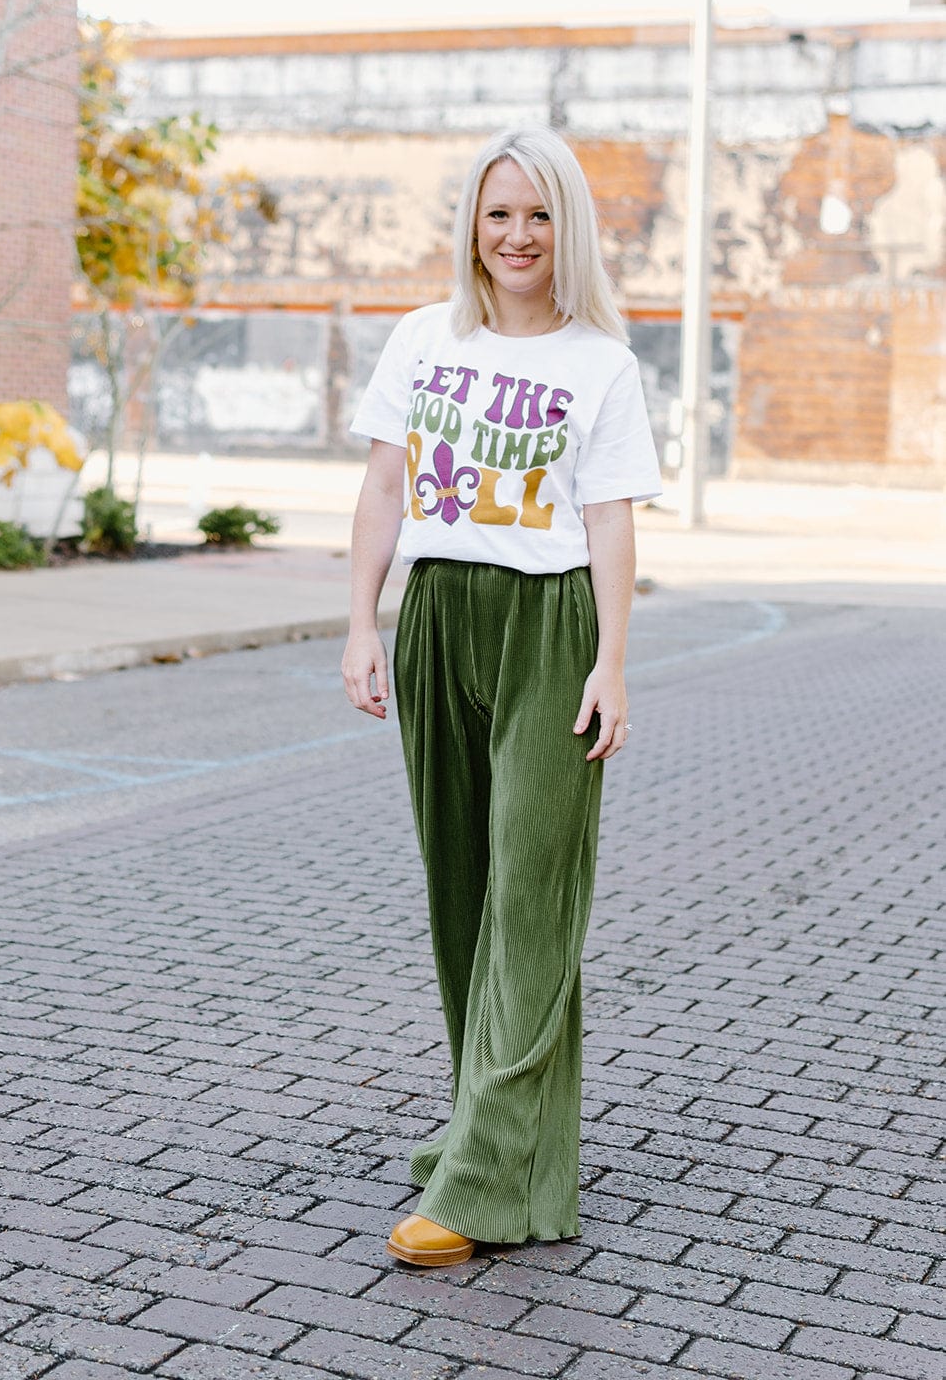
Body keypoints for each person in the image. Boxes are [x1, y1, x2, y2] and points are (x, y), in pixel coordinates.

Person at [341, 126, 662, 1267]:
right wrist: (359, 621)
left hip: (549, 623)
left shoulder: (600, 363)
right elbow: (384, 484)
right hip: (438, 616)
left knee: (533, 894)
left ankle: (481, 1179)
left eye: (536, 216)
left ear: (563, 228)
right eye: (496, 214)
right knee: (464, 892)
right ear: (470, 228)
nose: (516, 236)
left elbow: (613, 517)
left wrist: (610, 659)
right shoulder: (423, 339)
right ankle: (499, 1137)